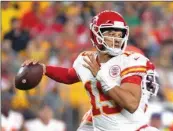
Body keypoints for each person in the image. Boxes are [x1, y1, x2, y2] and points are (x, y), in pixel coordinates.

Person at [22, 10, 159, 131]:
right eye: (111, 33)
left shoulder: (131, 60)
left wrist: (100, 75)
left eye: (119, 34)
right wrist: (44, 69)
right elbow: (69, 76)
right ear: (96, 34)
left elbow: (131, 104)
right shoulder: (86, 59)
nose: (116, 39)